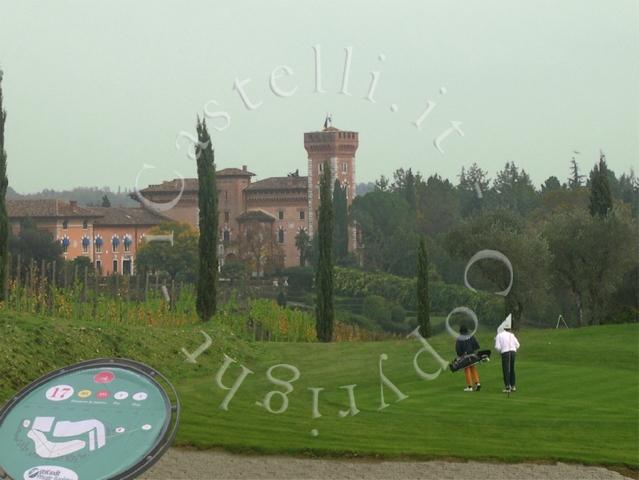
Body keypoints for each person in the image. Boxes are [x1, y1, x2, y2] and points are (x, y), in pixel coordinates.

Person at [494, 316, 520, 393]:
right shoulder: (512, 335)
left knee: (506, 369)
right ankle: (513, 386)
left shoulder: (499, 335)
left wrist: (500, 350)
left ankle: (507, 386)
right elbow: (518, 345)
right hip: (513, 352)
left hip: (505, 353)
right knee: (512, 369)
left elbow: (497, 347)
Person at [455, 325, 481, 392]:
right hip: (472, 355)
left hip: (465, 356)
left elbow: (458, 349)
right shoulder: (471, 336)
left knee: (467, 370)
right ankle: (478, 383)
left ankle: (470, 387)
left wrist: (460, 355)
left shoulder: (459, 338)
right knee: (473, 368)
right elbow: (477, 345)